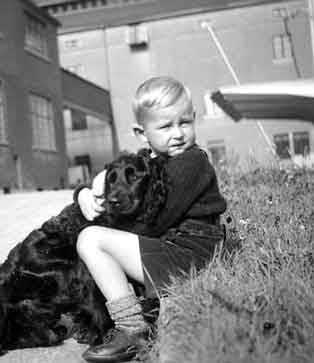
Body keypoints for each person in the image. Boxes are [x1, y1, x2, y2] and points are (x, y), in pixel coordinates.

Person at [74, 76, 227, 362]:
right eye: (166, 126)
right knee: (96, 237)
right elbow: (115, 174)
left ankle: (132, 328)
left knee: (91, 239)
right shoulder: (153, 161)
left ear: (195, 119)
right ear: (141, 132)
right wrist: (85, 192)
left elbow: (153, 222)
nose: (178, 133)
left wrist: (109, 226)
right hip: (177, 250)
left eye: (185, 122)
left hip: (189, 254)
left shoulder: (190, 162)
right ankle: (145, 310)